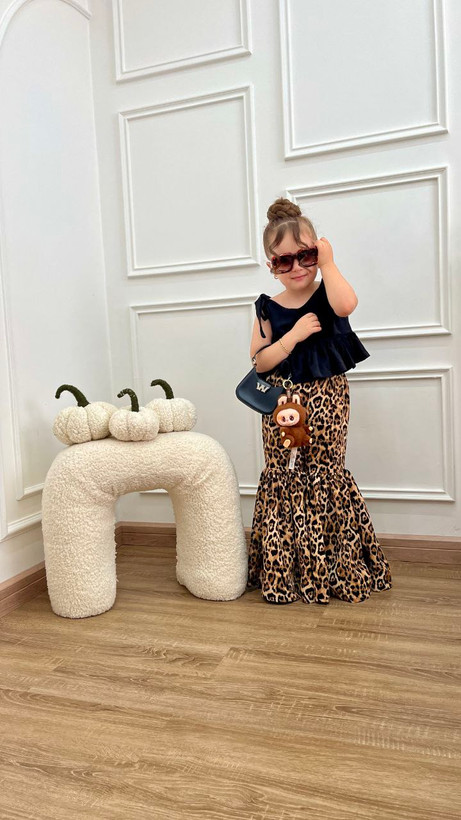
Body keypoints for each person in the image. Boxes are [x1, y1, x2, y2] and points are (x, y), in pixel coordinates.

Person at [247, 197, 392, 605]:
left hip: (329, 401)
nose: (296, 267)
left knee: (326, 471)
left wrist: (328, 264)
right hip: (284, 406)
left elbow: (347, 305)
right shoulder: (267, 308)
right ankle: (287, 570)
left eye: (306, 256)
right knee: (285, 473)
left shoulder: (329, 293)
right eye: (283, 261)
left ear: (318, 252)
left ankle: (334, 568)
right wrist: (292, 338)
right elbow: (259, 362)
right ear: (271, 264)